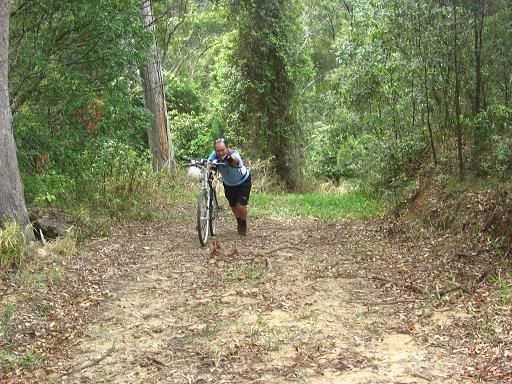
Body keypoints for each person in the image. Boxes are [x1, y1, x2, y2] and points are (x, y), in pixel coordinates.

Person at [207, 138, 252, 235]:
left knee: (241, 206)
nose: (220, 152)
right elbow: (209, 164)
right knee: (233, 206)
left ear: (228, 148)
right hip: (229, 184)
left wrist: (228, 158)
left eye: (222, 150)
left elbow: (236, 161)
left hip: (243, 181)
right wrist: (209, 168)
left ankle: (243, 224)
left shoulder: (234, 153)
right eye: (218, 151)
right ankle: (239, 220)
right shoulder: (214, 155)